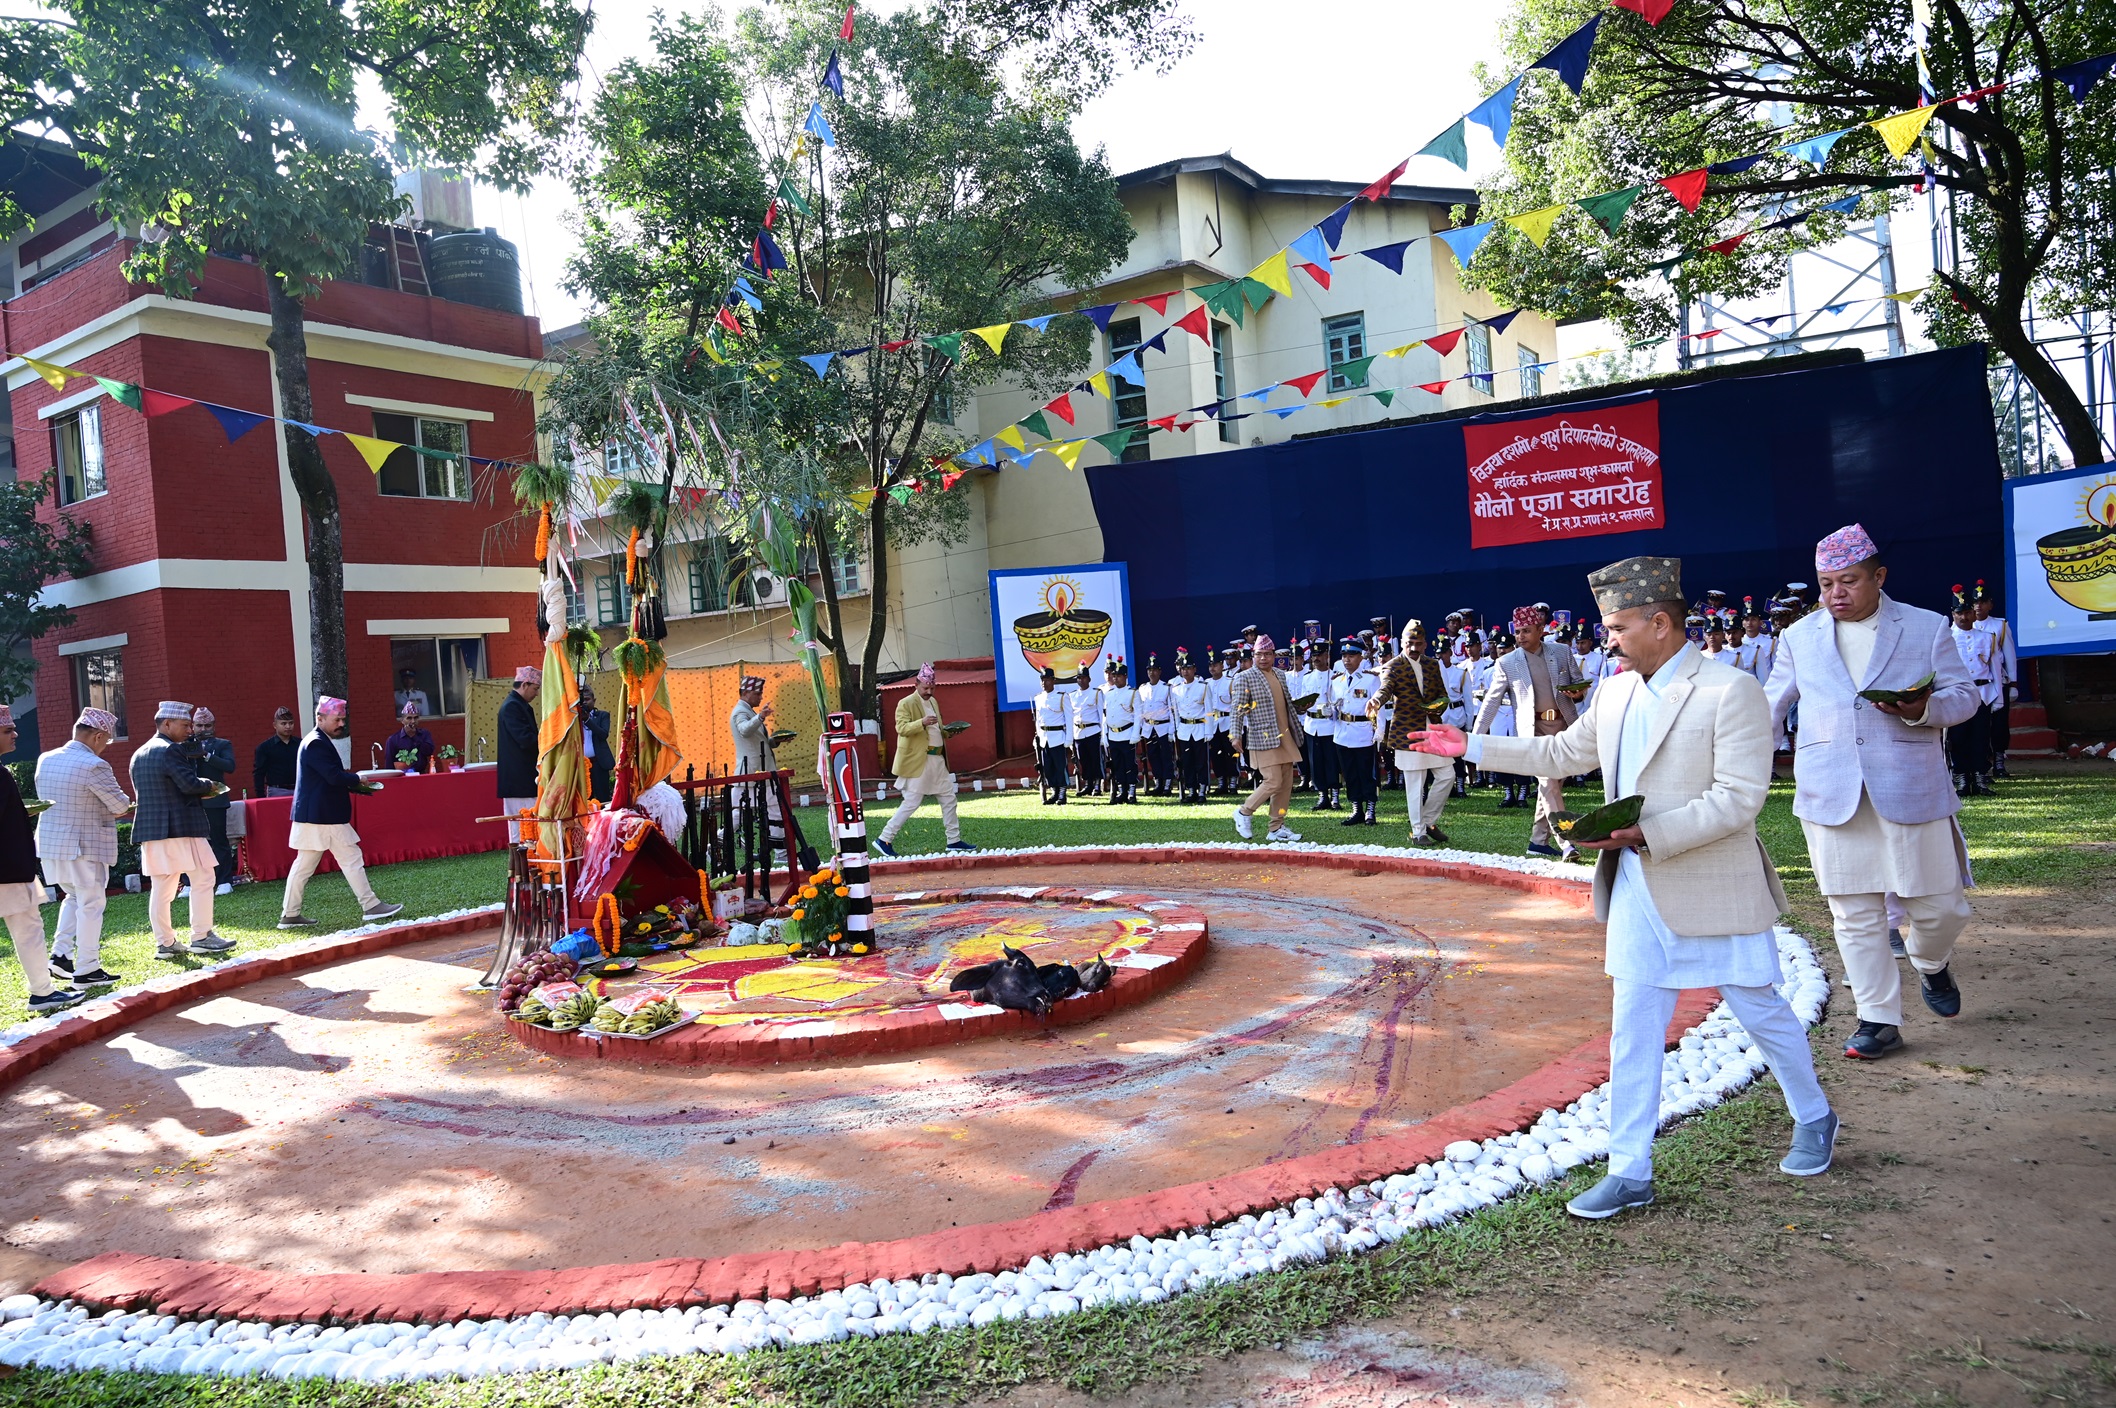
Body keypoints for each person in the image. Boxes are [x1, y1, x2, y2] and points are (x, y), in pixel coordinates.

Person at [1409, 554, 1836, 1219]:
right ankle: (1630, 1169)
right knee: (1633, 1027)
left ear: (1660, 623)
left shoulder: (1730, 690)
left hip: (1711, 884)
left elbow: (1739, 801)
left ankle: (1813, 1114)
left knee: (1760, 1008)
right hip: (1638, 888)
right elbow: (1560, 756)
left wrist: (1645, 833)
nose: (1607, 639)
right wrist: (1467, 746)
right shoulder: (1614, 691)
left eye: (1618, 627)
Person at [1765, 523, 1981, 1061]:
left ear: (1879, 577)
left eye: (1849, 581)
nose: (1836, 593)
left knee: (1941, 908)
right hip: (1829, 791)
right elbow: (1769, 705)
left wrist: (1922, 709)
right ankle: (1877, 1019)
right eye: (1826, 582)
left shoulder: (1926, 627)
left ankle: (1930, 962)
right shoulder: (1799, 636)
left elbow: (1964, 695)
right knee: (1854, 915)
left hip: (1909, 786)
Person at [279, 697, 404, 929]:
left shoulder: (314, 740)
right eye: (336, 719)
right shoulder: (316, 742)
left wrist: (353, 782)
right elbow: (333, 776)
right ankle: (370, 905)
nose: (340, 724)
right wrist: (357, 779)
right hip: (323, 815)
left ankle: (290, 914)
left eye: (342, 719)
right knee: (349, 859)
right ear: (320, 718)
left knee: (305, 866)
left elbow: (330, 777)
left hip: (315, 815)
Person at [1473, 606, 1587, 859]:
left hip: (1564, 728)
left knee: (1552, 786)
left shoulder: (1562, 652)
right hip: (1532, 732)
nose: (1521, 636)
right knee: (1548, 783)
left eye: (1526, 631)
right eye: (1518, 632)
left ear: (1540, 630)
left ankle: (1537, 841)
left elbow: (1579, 687)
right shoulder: (1507, 662)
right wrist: (1474, 737)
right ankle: (1566, 842)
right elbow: (1491, 701)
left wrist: (1577, 693)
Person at [129, 701, 236, 961]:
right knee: (204, 879)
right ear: (167, 724)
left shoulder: (139, 752)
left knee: (162, 888)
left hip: (153, 830)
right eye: (185, 725)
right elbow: (189, 785)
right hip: (181, 827)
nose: (190, 730)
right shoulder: (170, 750)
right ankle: (201, 936)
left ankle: (165, 943)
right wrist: (208, 784)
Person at [35, 706, 133, 990]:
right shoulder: (94, 764)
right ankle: (87, 968)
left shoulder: (46, 758)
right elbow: (119, 805)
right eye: (107, 741)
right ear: (98, 736)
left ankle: (61, 955)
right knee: (91, 903)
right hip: (84, 845)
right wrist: (120, 804)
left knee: (74, 897)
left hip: (52, 844)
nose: (106, 747)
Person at [0, 708, 81, 1014]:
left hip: (10, 867)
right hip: (7, 869)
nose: (15, 734)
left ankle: (43, 990)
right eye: (7, 730)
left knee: (28, 928)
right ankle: (42, 992)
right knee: (28, 929)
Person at [875, 662, 977, 855]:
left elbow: (937, 729)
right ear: (916, 685)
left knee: (949, 798)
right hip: (919, 760)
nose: (929, 691)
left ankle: (953, 841)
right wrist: (921, 722)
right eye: (925, 688)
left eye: (932, 688)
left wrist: (950, 732)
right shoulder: (906, 703)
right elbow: (901, 729)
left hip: (937, 759)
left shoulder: (933, 701)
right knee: (912, 802)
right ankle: (884, 839)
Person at [1371, 620, 1453, 844]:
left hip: (1432, 729)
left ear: (1425, 644)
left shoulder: (1432, 665)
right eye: (1409, 643)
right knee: (1415, 783)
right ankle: (1418, 832)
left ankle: (1428, 821)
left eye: (1418, 643)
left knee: (1447, 775)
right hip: (1408, 732)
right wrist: (1377, 701)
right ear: (1402, 644)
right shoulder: (1394, 665)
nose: (1414, 648)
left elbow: (1442, 694)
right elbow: (1385, 688)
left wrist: (1439, 705)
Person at [1229, 635, 1305, 843]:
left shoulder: (1280, 675)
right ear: (1253, 656)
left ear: (1273, 656)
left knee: (1285, 784)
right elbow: (1237, 709)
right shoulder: (1244, 677)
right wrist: (1235, 735)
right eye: (1259, 654)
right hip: (1262, 737)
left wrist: (1300, 707)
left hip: (1285, 736)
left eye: (1267, 654)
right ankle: (1244, 812)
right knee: (1273, 781)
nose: (1263, 658)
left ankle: (1276, 827)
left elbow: (1285, 704)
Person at [1947, 587, 2001, 797]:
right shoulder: (1946, 638)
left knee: (1980, 737)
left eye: (1967, 612)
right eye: (1959, 613)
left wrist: (1999, 698)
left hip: (1982, 692)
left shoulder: (1987, 637)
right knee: (1958, 737)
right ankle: (1961, 777)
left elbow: (1995, 668)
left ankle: (1980, 777)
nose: (1964, 616)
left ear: (1973, 613)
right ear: (1953, 614)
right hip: (1957, 693)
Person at [1330, 639, 1381, 827]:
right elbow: (1334, 707)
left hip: (1363, 730)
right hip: (1343, 732)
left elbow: (1379, 707)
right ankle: (1356, 808)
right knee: (1349, 773)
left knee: (1366, 773)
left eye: (1351, 656)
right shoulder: (1337, 681)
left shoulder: (1370, 679)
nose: (1347, 660)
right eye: (1344, 656)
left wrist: (1380, 731)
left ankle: (1370, 809)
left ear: (1360, 657)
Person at [188, 707, 238, 894]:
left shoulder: (223, 744)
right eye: (199, 725)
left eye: (207, 725)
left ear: (214, 726)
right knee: (191, 842)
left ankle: (225, 880)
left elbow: (230, 766)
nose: (203, 729)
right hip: (191, 799)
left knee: (219, 840)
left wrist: (206, 755)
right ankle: (189, 882)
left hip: (215, 798)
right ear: (193, 726)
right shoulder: (185, 743)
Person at [1971, 581, 2016, 777]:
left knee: (1999, 724)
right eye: (1975, 603)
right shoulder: (1964, 626)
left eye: (1983, 602)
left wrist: (2013, 683)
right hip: (1976, 683)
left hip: (1999, 681)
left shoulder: (2000, 625)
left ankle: (1999, 761)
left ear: (1990, 604)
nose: (1978, 606)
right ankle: (1981, 761)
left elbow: (2010, 656)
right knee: (1977, 726)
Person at [497, 664, 541, 842]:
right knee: (520, 827)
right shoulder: (512, 707)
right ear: (524, 685)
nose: (536, 694)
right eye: (535, 688)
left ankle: (530, 863)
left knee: (529, 824)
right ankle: (522, 866)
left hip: (524, 777)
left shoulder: (519, 705)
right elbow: (526, 739)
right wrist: (549, 740)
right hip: (518, 779)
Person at [1299, 641, 1340, 812]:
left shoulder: (1335, 677)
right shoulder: (1307, 677)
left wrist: (1333, 708)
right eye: (1314, 656)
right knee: (1315, 762)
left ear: (1327, 656)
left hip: (1329, 724)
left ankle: (1335, 796)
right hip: (1312, 724)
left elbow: (1340, 700)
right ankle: (1322, 795)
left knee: (1332, 761)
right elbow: (1303, 700)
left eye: (1320, 655)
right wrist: (1302, 706)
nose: (1316, 659)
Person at [1171, 650, 1212, 804]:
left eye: (1189, 668)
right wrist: (1176, 729)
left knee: (1201, 762)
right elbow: (1175, 713)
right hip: (1184, 729)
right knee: (1187, 762)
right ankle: (1191, 790)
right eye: (1183, 668)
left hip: (1200, 728)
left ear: (1195, 669)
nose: (1186, 671)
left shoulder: (1203, 686)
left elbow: (1209, 710)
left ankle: (1202, 790)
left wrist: (1209, 730)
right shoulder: (1176, 689)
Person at [1101, 658, 1140, 805]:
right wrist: (1105, 735)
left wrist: (1136, 734)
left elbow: (1138, 715)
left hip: (1127, 733)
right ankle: (1122, 791)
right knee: (1117, 765)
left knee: (1129, 764)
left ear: (1125, 676)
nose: (1115, 678)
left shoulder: (1132, 693)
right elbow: (1106, 716)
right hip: (1113, 734)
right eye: (1114, 675)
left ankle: (1131, 792)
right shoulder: (1109, 694)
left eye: (1118, 675)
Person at [1032, 666, 1072, 804]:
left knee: (1060, 766)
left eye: (1047, 679)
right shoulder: (1038, 698)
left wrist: (1069, 739)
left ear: (1053, 680)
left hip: (1058, 736)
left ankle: (1062, 793)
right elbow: (1038, 719)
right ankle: (1054, 792)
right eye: (1042, 680)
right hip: (1044, 738)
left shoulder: (1062, 696)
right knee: (1048, 767)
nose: (1044, 683)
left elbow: (1069, 718)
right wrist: (1038, 736)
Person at [1138, 654, 1175, 797]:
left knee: (1166, 756)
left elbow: (1171, 710)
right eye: (1149, 670)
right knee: (1153, 756)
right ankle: (1158, 782)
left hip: (1163, 727)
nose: (1151, 673)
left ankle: (1167, 783)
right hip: (1149, 727)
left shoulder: (1166, 688)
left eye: (1154, 670)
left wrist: (1172, 731)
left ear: (1160, 671)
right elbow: (1141, 710)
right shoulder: (1143, 688)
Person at [1068, 665, 1105, 797]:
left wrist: (1103, 733)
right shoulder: (1072, 696)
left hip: (1093, 730)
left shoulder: (1096, 693)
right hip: (1079, 731)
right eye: (1079, 678)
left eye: (1083, 678)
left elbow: (1101, 714)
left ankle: (1097, 785)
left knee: (1095, 759)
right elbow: (1071, 716)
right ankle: (1088, 784)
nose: (1081, 680)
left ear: (1089, 679)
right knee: (1083, 760)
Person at [1206, 653, 1238, 795]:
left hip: (1228, 721)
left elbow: (1236, 704)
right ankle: (1221, 782)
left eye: (1216, 665)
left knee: (1230, 753)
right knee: (1216, 754)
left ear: (1222, 665)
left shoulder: (1230, 681)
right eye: (1211, 665)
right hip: (1213, 722)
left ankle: (1233, 782)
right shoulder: (1206, 683)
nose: (1213, 668)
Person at [252, 707, 301, 797]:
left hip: (299, 789)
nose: (288, 726)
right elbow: (259, 773)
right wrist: (260, 795)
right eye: (283, 723)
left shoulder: (301, 744)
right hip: (277, 791)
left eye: (291, 723)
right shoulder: (265, 748)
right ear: (275, 725)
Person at [579, 685, 614, 805]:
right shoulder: (574, 718)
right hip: (581, 765)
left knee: (602, 798)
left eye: (587, 699)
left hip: (599, 763)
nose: (585, 703)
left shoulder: (602, 715)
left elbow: (603, 734)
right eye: (582, 700)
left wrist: (587, 720)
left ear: (594, 701)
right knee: (586, 800)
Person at [383, 701, 438, 774]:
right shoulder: (393, 740)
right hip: (401, 777)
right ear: (402, 720)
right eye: (409, 718)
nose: (413, 721)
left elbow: (429, 751)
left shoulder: (424, 734)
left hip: (421, 775)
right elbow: (389, 766)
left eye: (415, 718)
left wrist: (414, 737)